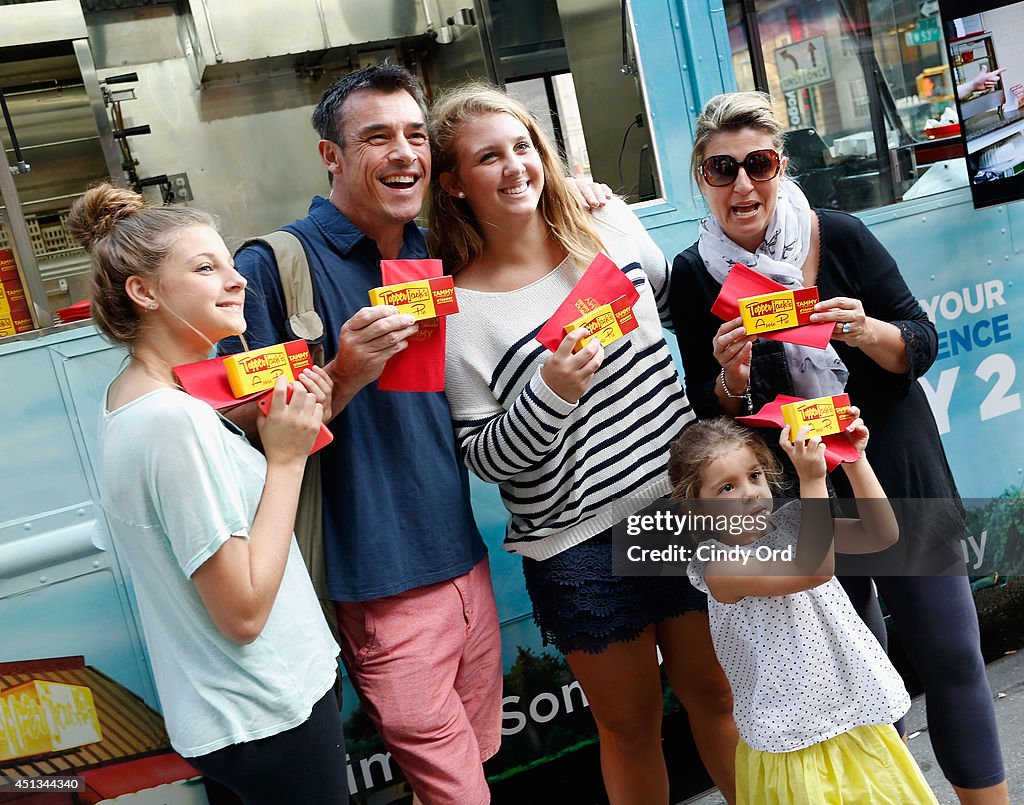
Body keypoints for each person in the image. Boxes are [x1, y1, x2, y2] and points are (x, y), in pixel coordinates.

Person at [670, 90, 1009, 804]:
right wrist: (732, 379)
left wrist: (862, 330)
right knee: (856, 667)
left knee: (950, 653)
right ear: (700, 176)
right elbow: (712, 412)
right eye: (721, 168)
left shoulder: (839, 234)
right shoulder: (696, 271)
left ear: (780, 164)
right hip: (801, 487)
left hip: (892, 459)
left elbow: (919, 342)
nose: (742, 184)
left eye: (757, 163)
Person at [429, 82, 738, 805]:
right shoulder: (459, 312)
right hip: (577, 547)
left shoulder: (611, 228)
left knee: (719, 696)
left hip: (677, 507)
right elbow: (484, 457)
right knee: (629, 729)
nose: (514, 168)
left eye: (522, 148)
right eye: (487, 158)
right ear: (453, 183)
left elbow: (675, 316)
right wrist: (552, 391)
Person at [220, 64, 502, 805]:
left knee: (474, 761)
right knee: (459, 790)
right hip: (378, 585)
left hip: (465, 559)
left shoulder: (438, 246)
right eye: (377, 137)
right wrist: (343, 371)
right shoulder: (275, 267)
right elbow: (246, 433)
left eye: (415, 135)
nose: (404, 152)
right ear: (332, 156)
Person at [69, 184, 346, 804]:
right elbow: (243, 612)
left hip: (237, 715)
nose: (236, 279)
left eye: (227, 262)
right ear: (144, 292)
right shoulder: (171, 420)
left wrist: (260, 433)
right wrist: (286, 457)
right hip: (267, 711)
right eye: (205, 267)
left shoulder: (132, 399)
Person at [669, 416, 938, 804]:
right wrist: (812, 482)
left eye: (755, 475)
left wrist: (853, 459)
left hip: (853, 717)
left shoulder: (795, 522)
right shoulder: (720, 566)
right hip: (791, 741)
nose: (750, 493)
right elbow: (812, 569)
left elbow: (880, 533)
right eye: (727, 487)